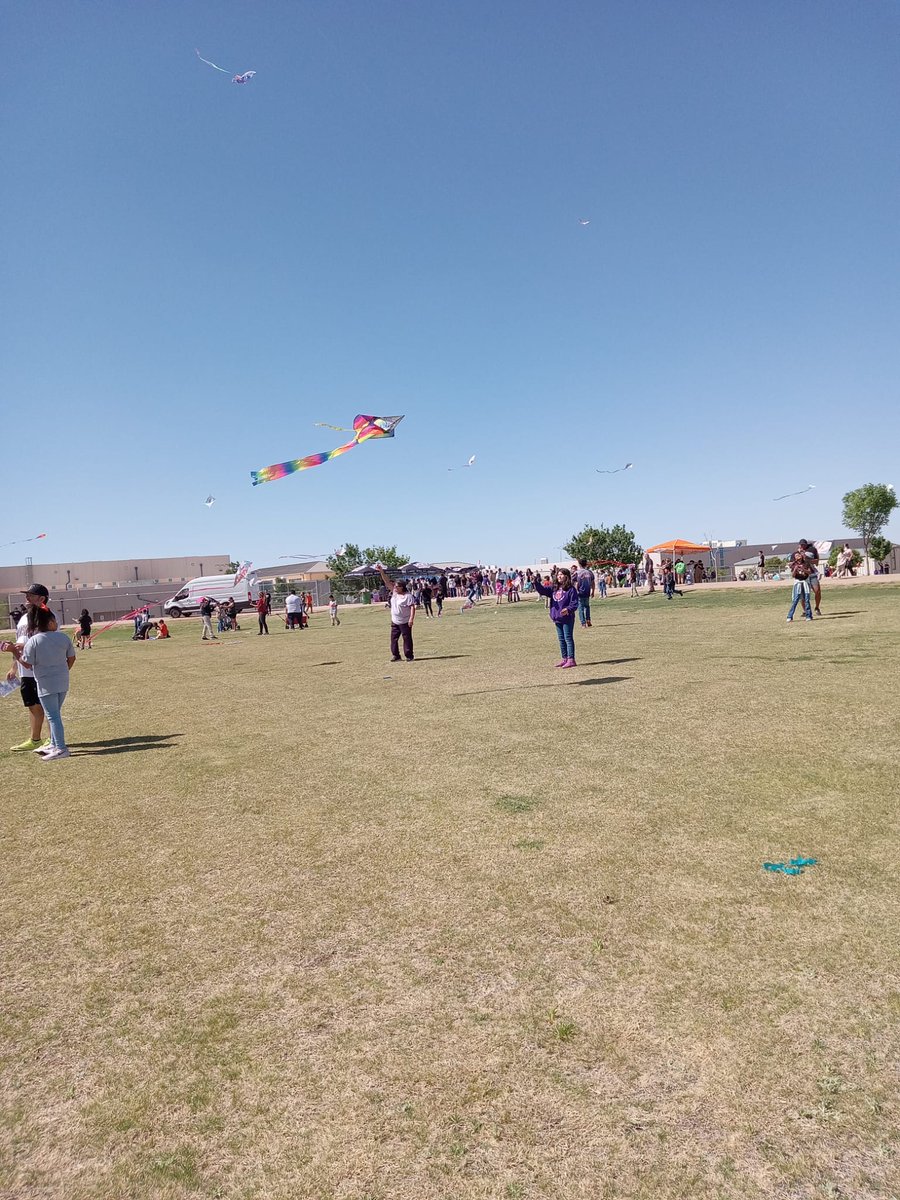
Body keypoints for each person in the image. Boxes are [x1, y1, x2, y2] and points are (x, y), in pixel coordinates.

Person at [19, 605, 76, 761]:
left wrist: (14, 652)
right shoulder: (63, 637)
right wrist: (63, 672)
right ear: (50, 622)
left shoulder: (34, 641)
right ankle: (54, 744)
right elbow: (71, 658)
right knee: (55, 714)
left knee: (53, 717)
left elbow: (27, 663)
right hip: (62, 682)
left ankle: (61, 748)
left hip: (46, 684)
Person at [8, 585, 57, 752]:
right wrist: (14, 667)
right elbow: (19, 643)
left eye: (31, 595)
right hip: (25, 670)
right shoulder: (24, 618)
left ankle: (52, 740)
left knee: (48, 706)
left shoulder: (49, 617)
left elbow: (51, 642)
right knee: (32, 705)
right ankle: (35, 739)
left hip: (42, 670)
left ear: (41, 599)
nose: (27, 598)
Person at [532, 568, 579, 667]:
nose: (559, 576)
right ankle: (564, 658)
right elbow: (543, 590)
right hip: (557, 618)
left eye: (561, 575)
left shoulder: (571, 589)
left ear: (566, 576)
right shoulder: (554, 588)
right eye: (558, 575)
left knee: (568, 638)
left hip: (567, 618)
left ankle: (571, 659)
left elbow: (574, 603)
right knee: (561, 639)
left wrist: (568, 609)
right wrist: (535, 582)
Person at [377, 563, 416, 662]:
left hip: (405, 621)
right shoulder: (394, 593)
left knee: (406, 639)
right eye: (394, 586)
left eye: (397, 586)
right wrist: (381, 571)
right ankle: (396, 656)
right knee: (393, 639)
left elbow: (412, 607)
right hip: (395, 621)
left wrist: (411, 619)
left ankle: (409, 656)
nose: (394, 587)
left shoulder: (408, 596)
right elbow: (386, 581)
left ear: (402, 587)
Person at [786, 551, 813, 622]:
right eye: (796, 555)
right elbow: (793, 575)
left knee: (806, 599)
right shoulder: (794, 564)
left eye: (799, 555)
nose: (798, 556)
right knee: (795, 600)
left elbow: (810, 572)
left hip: (805, 582)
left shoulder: (806, 563)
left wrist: (803, 569)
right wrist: (795, 569)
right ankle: (790, 616)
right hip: (797, 583)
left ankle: (809, 615)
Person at [798, 539, 822, 615]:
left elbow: (817, 562)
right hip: (802, 575)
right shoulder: (797, 552)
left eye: (803, 544)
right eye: (800, 545)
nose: (802, 546)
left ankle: (817, 607)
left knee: (817, 591)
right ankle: (805, 611)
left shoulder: (812, 549)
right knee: (802, 594)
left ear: (806, 544)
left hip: (812, 573)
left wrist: (807, 559)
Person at [573, 559, 595, 628]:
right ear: (586, 564)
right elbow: (593, 583)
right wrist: (593, 591)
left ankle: (583, 623)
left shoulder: (577, 573)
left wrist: (575, 591)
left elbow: (575, 583)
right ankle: (588, 620)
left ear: (579, 564)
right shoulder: (589, 572)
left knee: (580, 608)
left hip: (580, 592)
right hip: (587, 592)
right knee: (587, 606)